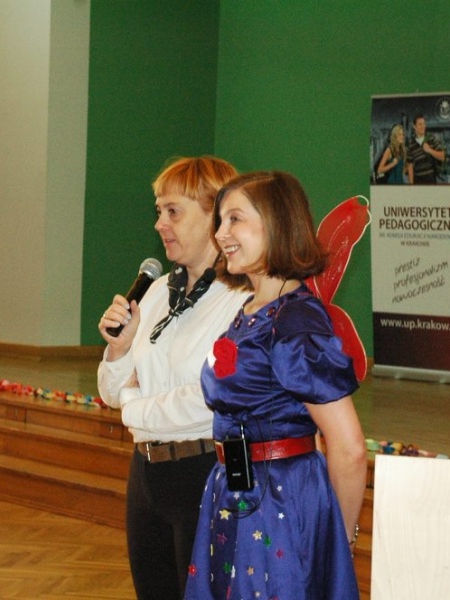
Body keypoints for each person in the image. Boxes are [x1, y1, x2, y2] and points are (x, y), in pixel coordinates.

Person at [184, 171, 367, 600]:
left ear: (277, 224)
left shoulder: (295, 321)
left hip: (278, 504)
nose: (220, 234)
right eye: (220, 221)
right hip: (237, 493)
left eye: (235, 219)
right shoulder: (253, 308)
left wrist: (336, 539)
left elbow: (349, 448)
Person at [97, 156, 251, 599]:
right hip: (145, 475)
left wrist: (134, 405)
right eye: (158, 211)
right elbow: (110, 392)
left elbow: (206, 399)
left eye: (173, 212)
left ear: (214, 217)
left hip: (205, 474)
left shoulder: (241, 300)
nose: (159, 224)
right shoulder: (156, 292)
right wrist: (119, 351)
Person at [407, 114, 446, 184]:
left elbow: (443, 156)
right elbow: (410, 165)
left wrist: (430, 150)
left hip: (431, 180)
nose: (423, 126)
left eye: (424, 124)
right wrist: (411, 185)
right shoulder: (411, 144)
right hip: (417, 182)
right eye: (420, 124)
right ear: (414, 126)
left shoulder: (431, 138)